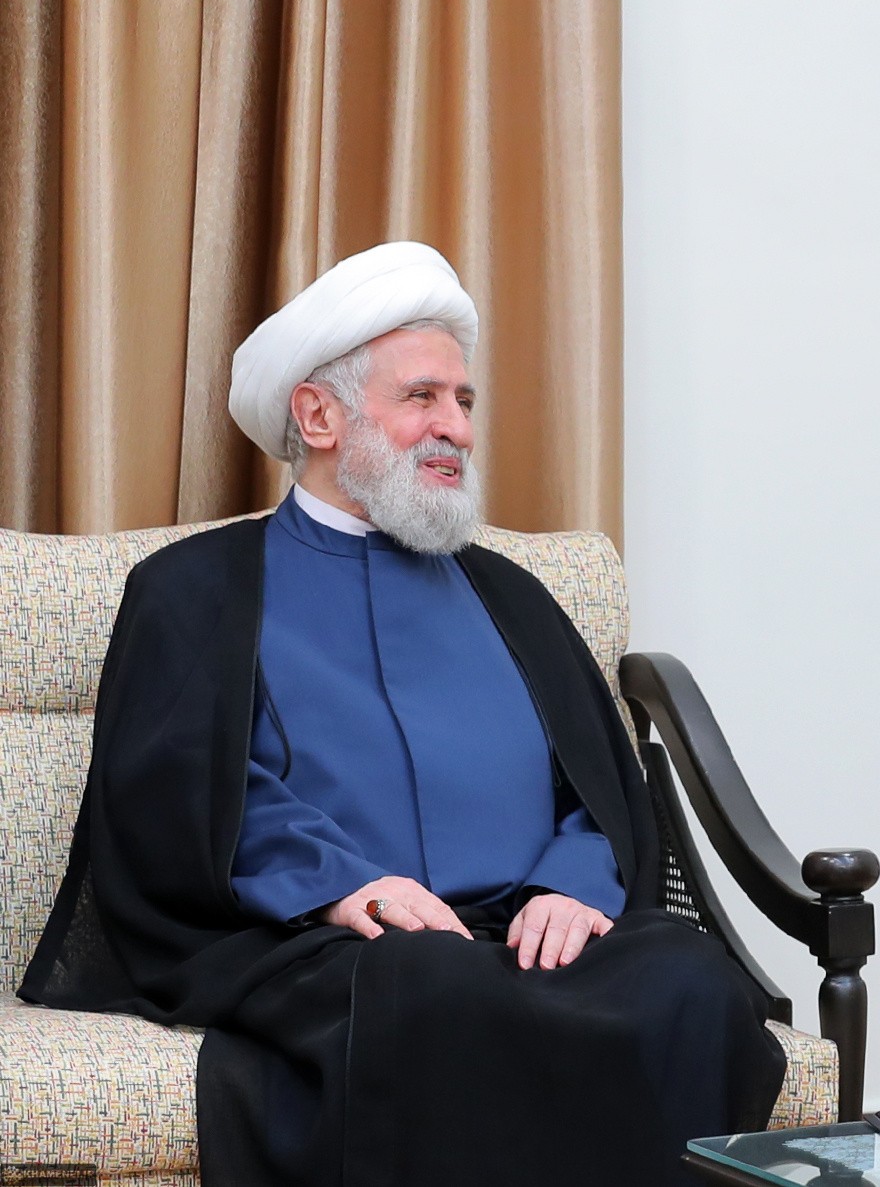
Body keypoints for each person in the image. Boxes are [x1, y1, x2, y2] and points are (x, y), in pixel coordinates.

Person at [18, 242, 784, 1187]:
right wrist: (342, 885)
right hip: (323, 941)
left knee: (689, 980)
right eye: (422, 396)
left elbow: (597, 789)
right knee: (430, 987)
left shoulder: (514, 596)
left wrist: (570, 887)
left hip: (525, 928)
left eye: (463, 401)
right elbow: (181, 794)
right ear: (319, 415)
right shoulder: (193, 590)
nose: (455, 427)